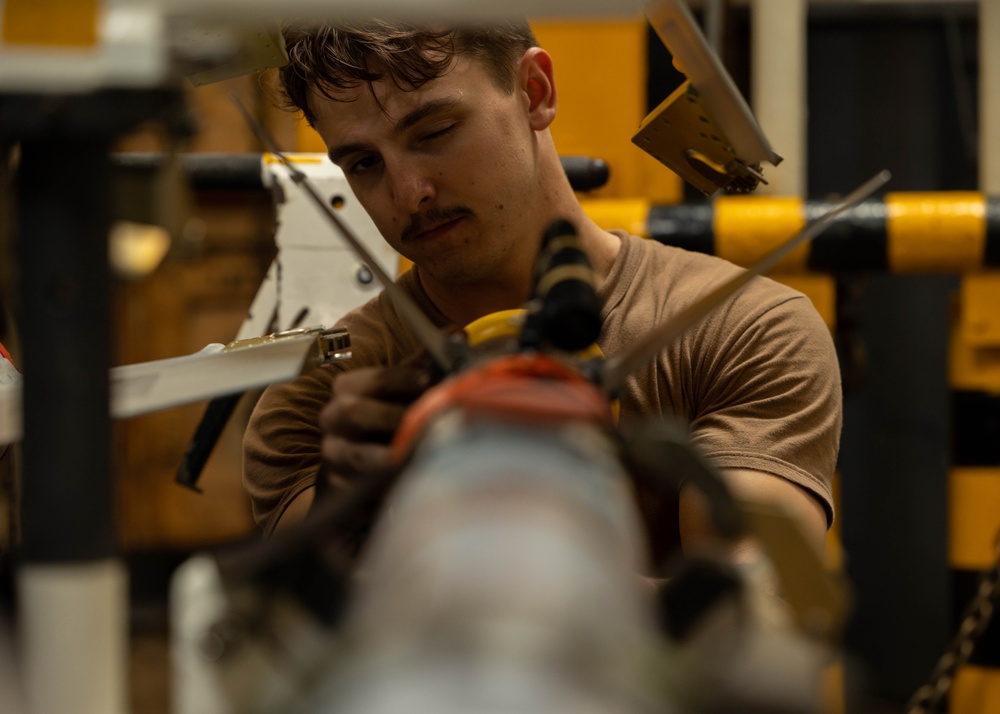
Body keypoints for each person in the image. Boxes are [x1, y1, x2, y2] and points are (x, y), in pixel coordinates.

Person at [243, 18, 841, 566]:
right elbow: (307, 654)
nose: (408, 193)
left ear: (534, 91)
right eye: (363, 164)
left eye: (435, 132)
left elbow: (742, 622)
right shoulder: (320, 401)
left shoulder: (741, 333)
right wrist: (345, 520)